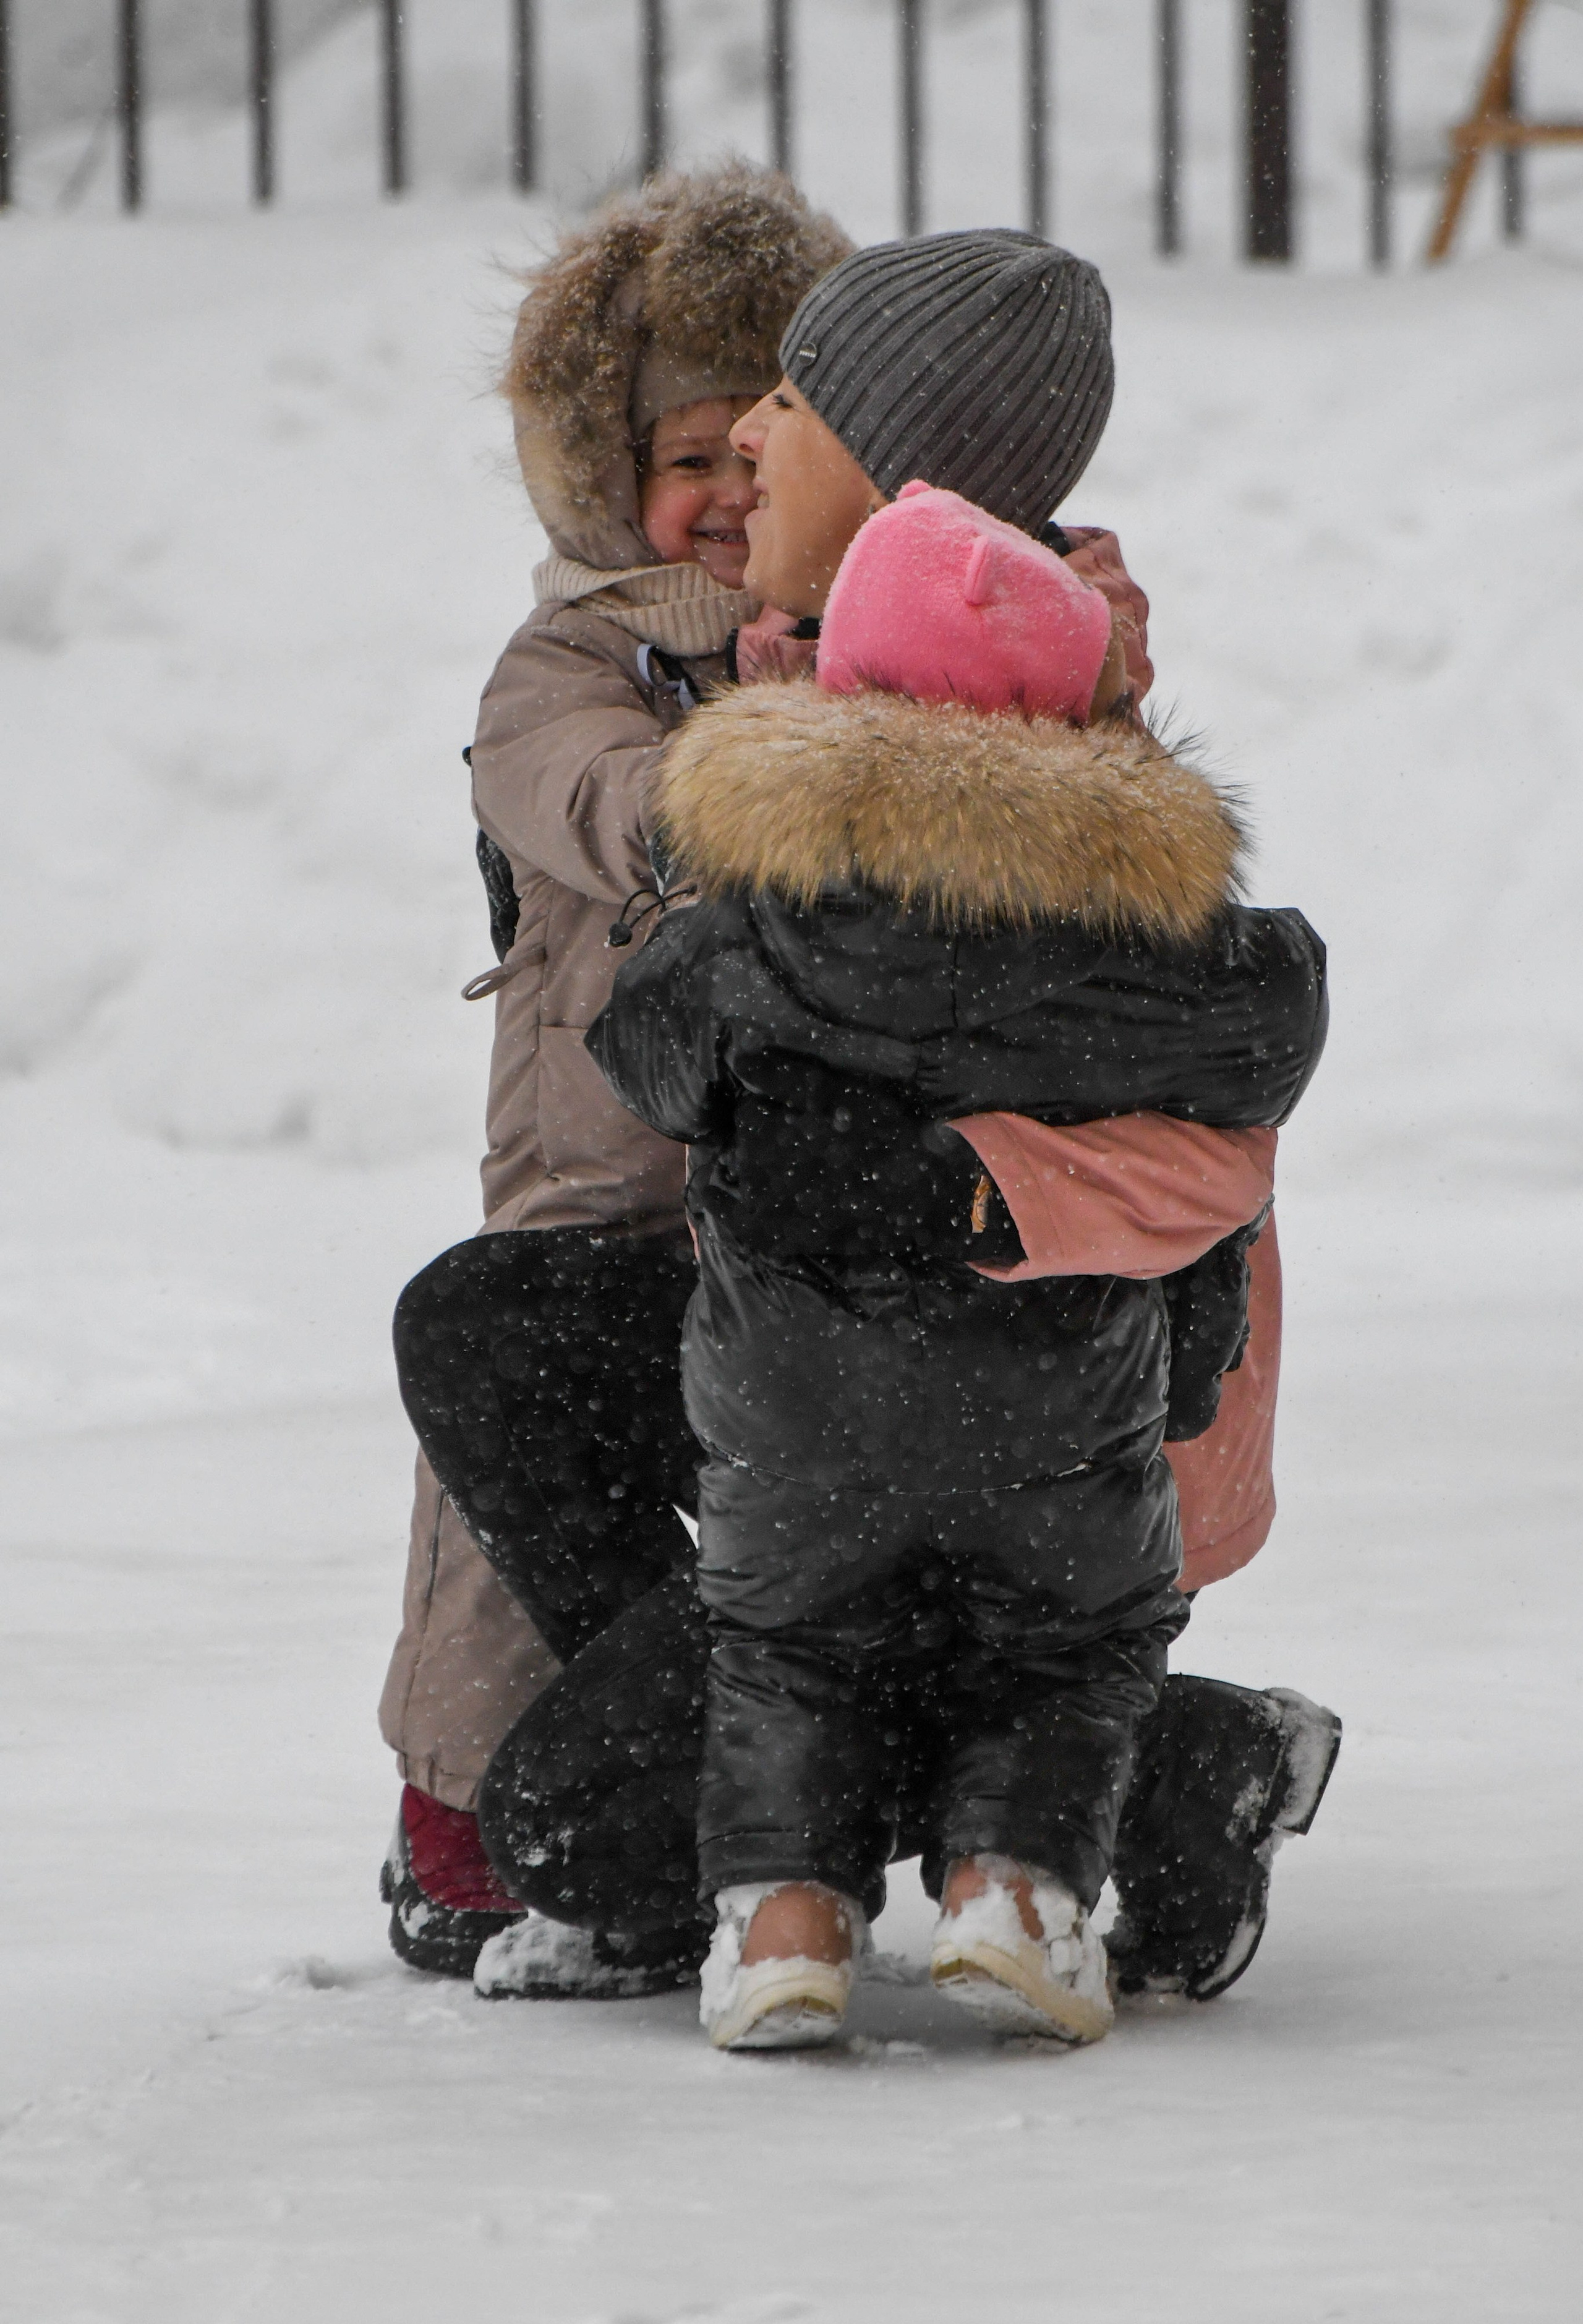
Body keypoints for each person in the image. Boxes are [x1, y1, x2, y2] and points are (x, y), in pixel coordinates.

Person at [400, 231, 1338, 2013]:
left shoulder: (1044, 706)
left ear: (908, 478)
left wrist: (952, 1193)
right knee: (490, 1325)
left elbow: (1215, 1130)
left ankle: (1132, 1762)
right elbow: (674, 1003)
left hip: (1058, 1423)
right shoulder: (770, 671)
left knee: (587, 1831)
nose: (750, 435)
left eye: (790, 401)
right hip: (799, 1379)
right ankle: (862, 1756)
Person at [586, 434, 1328, 2048]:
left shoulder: (769, 899)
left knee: (784, 1649)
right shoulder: (1135, 924)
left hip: (792, 1394)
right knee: (1064, 1647)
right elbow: (1274, 1022)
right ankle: (1016, 1897)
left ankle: (783, 1929)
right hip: (1056, 1389)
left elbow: (640, 1043)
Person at [377, 163, 853, 1979]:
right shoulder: (572, 662)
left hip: (794, 1219)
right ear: (609, 480)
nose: (731, 495)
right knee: (500, 1511)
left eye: (768, 446)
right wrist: (752, 761)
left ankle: (737, 1794)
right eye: (688, 458)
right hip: (601, 1204)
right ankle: (476, 1807)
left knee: (844, 1519)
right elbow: (584, 792)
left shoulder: (880, 626)